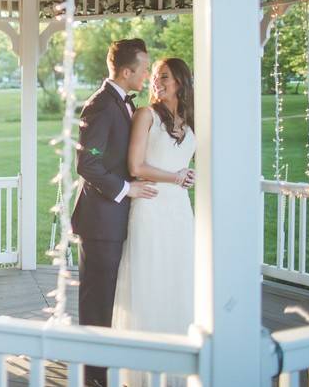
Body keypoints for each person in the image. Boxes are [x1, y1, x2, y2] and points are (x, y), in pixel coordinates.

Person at [72, 38, 158, 387]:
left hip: (113, 220)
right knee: (97, 302)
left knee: (108, 299)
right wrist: (126, 189)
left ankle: (102, 370)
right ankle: (94, 378)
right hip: (100, 222)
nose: (148, 74)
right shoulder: (101, 106)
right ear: (127, 71)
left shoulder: (120, 103)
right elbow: (87, 163)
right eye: (145, 68)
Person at [111, 58, 196, 387]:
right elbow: (136, 165)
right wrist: (175, 177)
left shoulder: (190, 120)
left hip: (180, 209)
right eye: (155, 75)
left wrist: (185, 178)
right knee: (150, 279)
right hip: (151, 205)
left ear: (181, 82)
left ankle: (183, 363)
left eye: (165, 77)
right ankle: (145, 370)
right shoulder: (146, 115)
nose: (157, 81)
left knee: (180, 278)